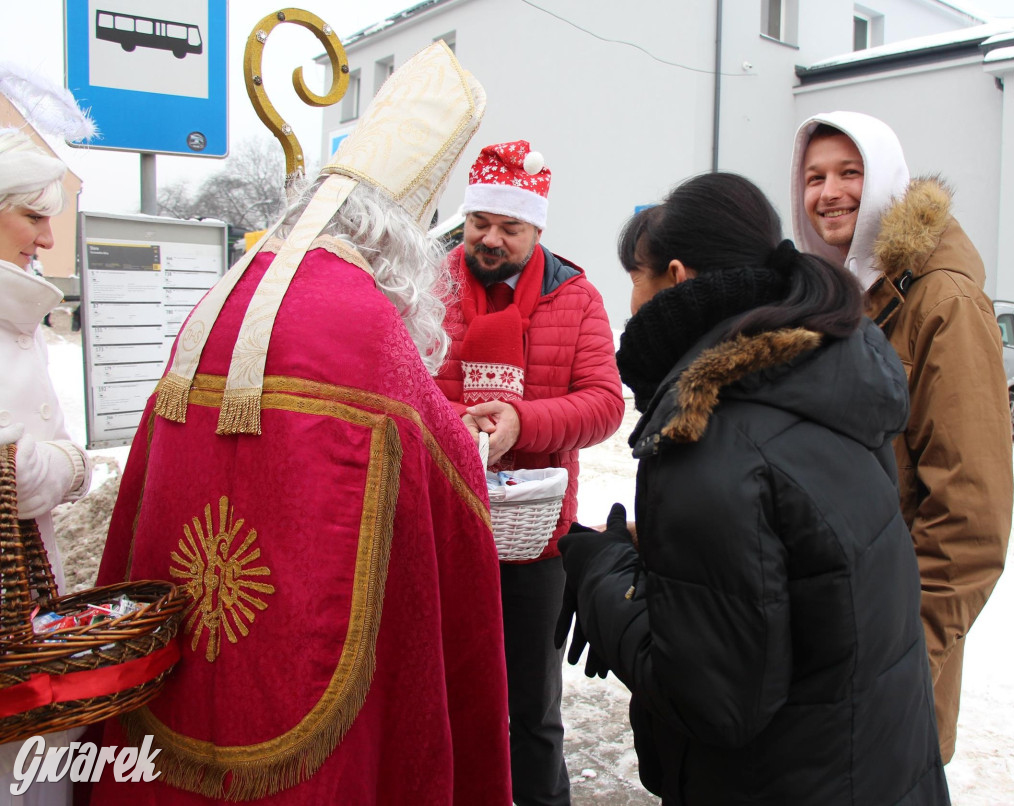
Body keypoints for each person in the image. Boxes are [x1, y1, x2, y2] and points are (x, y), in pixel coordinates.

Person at [89, 42, 513, 804]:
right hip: (304, 691)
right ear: (399, 241)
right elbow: (453, 499)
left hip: (182, 674)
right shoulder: (364, 324)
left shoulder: (215, 302)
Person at [556, 172, 950, 804]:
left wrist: (606, 575)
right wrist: (668, 552)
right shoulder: (826, 370)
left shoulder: (709, 436)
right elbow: (798, 562)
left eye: (635, 277)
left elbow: (713, 701)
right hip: (877, 765)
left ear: (677, 278)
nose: (627, 302)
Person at [791, 111, 1012, 763]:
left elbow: (972, 521)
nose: (828, 192)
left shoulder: (943, 303)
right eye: (814, 177)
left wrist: (900, 652)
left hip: (889, 669)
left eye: (849, 173)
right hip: (819, 657)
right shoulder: (827, 302)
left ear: (886, 178)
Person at [434, 140, 624, 805]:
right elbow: (396, 383)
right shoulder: (429, 285)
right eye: (479, 222)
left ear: (537, 227)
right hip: (441, 531)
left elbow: (604, 404)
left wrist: (522, 423)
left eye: (508, 228)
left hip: (534, 540)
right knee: (444, 700)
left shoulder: (577, 297)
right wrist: (455, 420)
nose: (489, 239)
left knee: (532, 713)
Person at [0, 128, 93, 806]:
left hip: (24, 605)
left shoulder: (19, 318)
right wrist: (72, 462)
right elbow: (19, 475)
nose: (48, 239)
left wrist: (57, 461)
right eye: (33, 215)